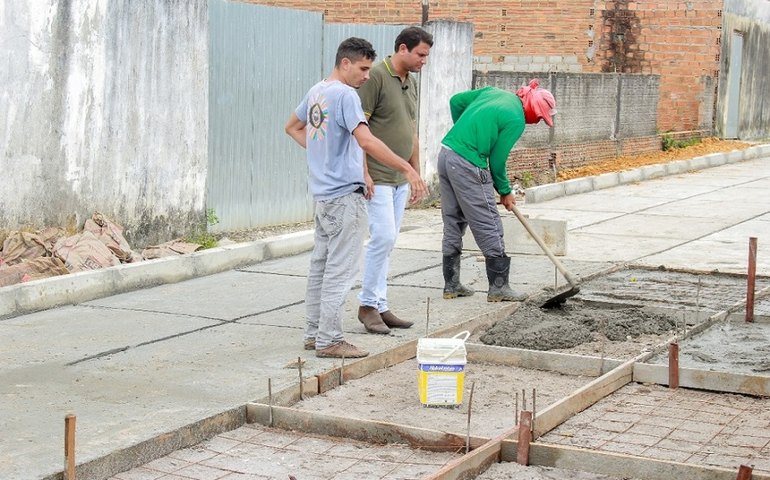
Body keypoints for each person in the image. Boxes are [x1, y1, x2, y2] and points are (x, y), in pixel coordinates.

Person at [285, 37, 428, 358]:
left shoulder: (316, 91)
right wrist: (407, 168)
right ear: (345, 63)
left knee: (320, 268)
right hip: (345, 198)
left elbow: (292, 127)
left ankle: (313, 334)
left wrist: (324, 155)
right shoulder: (346, 95)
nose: (367, 75)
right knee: (340, 271)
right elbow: (366, 140)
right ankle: (330, 340)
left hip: (323, 198)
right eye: (363, 68)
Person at [438, 79, 556, 302]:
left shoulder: (493, 92)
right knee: (488, 221)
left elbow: (455, 101)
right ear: (533, 108)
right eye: (540, 116)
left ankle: (451, 285)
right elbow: (498, 159)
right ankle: (499, 287)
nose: (538, 121)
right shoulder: (516, 118)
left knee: (453, 220)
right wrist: (505, 190)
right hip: (469, 162)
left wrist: (465, 131)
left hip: (446, 154)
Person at [355, 26, 434, 335]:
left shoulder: (410, 83)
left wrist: (416, 172)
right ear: (403, 48)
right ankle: (367, 306)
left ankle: (380, 304)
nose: (423, 61)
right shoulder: (375, 76)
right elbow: (357, 128)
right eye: (420, 55)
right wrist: (363, 173)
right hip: (378, 175)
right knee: (383, 238)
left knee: (388, 244)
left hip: (401, 178)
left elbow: (410, 128)